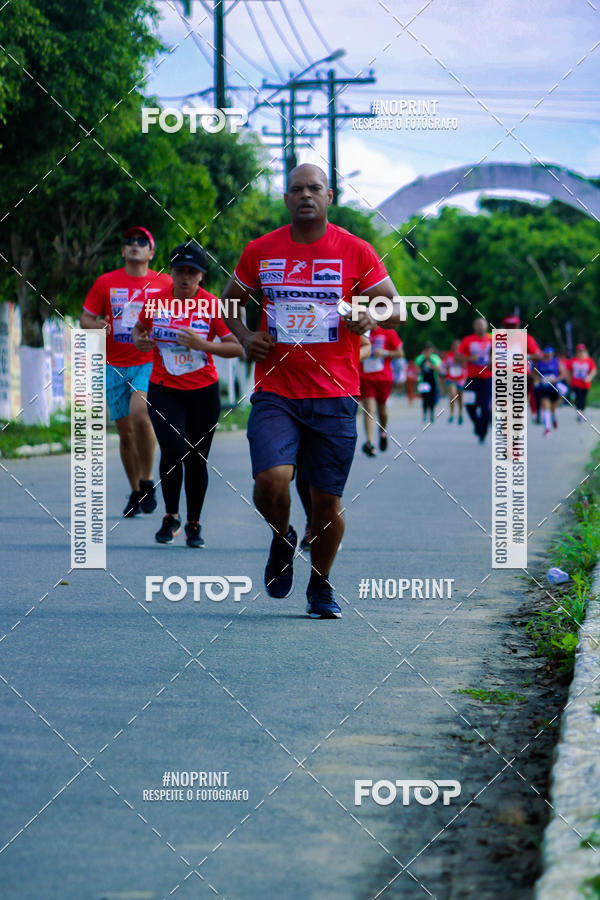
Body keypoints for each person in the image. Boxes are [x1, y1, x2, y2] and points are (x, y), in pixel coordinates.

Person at [221, 163, 401, 619]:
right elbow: (229, 303)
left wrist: (370, 317)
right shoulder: (261, 250)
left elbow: (394, 306)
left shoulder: (354, 250)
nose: (306, 195)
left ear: (330, 196)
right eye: (297, 189)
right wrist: (244, 337)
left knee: (326, 501)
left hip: (336, 393)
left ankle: (320, 584)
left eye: (314, 188)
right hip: (276, 389)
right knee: (270, 480)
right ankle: (282, 536)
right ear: (286, 199)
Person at [132, 242, 242, 546]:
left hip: (203, 391)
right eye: (179, 271)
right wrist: (141, 341)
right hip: (165, 388)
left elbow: (235, 347)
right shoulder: (154, 303)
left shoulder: (212, 305)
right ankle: (171, 517)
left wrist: (203, 345)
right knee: (171, 448)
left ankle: (194, 523)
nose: (184, 278)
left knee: (196, 458)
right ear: (171, 272)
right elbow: (139, 331)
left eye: (191, 272)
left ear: (201, 276)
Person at [81, 226, 171, 517]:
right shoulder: (106, 282)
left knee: (141, 414)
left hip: (149, 362)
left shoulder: (164, 283)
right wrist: (99, 326)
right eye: (129, 241)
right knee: (126, 434)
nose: (134, 245)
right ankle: (135, 490)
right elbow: (85, 318)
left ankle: (147, 481)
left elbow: (180, 313)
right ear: (123, 251)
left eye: (141, 242)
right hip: (114, 366)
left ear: (151, 252)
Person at [298, 334, 372, 550]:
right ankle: (312, 522)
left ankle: (324, 524)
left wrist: (343, 358)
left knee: (326, 472)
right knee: (301, 466)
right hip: (292, 392)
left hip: (333, 395)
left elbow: (365, 346)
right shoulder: (282, 301)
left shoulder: (348, 305)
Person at [359, 325, 404, 456]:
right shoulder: (360, 331)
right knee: (368, 408)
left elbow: (400, 353)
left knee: (382, 410)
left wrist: (384, 353)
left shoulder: (388, 332)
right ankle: (369, 442)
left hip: (383, 378)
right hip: (365, 377)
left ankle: (382, 432)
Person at [457, 317, 493, 444]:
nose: (480, 327)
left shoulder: (492, 339)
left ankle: (482, 432)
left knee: (484, 406)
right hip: (472, 379)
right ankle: (477, 424)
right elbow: (457, 356)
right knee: (469, 405)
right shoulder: (468, 340)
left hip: (487, 378)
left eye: (482, 324)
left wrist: (492, 362)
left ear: (486, 326)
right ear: (474, 327)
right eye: (477, 324)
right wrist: (469, 358)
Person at [501, 314, 542, 422]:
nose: (511, 329)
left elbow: (538, 355)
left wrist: (525, 356)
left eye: (513, 326)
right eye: (508, 326)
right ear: (504, 326)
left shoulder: (526, 338)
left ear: (518, 325)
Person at [532, 346, 565, 435]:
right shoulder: (540, 363)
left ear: (552, 354)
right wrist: (539, 379)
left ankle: (554, 418)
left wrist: (555, 379)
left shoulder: (556, 362)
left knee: (553, 407)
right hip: (543, 388)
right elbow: (534, 374)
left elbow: (562, 374)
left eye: (549, 355)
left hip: (554, 388)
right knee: (545, 405)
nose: (548, 356)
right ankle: (547, 427)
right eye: (546, 355)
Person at [566, 343, 597, 421]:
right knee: (578, 398)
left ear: (584, 351)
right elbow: (568, 370)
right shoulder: (573, 360)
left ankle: (581, 411)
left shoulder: (589, 360)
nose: (580, 352)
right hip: (576, 383)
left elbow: (593, 370)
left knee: (583, 398)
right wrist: (568, 378)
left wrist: (589, 377)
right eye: (579, 351)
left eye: (582, 351)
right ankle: (580, 413)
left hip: (585, 384)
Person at [441, 339, 467, 424]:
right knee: (452, 395)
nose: (456, 347)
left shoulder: (463, 355)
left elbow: (466, 366)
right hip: (451, 379)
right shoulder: (448, 355)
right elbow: (443, 366)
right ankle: (451, 414)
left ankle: (460, 414)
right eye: (454, 346)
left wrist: (460, 360)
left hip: (460, 379)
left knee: (460, 398)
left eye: (458, 346)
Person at [415, 341, 442, 424]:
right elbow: (416, 369)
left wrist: (431, 365)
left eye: (428, 349)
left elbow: (439, 369)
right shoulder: (420, 358)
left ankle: (432, 414)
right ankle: (425, 414)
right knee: (425, 398)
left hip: (433, 380)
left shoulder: (435, 358)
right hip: (423, 381)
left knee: (432, 398)